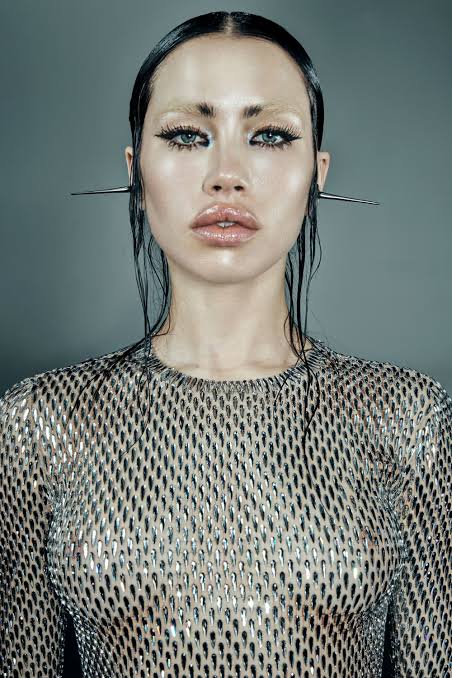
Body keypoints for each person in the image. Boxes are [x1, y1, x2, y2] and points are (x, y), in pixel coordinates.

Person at [1, 10, 450, 678]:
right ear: (136, 169)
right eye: (187, 135)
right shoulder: (40, 423)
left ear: (317, 172)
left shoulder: (406, 418)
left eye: (269, 135)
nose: (227, 175)